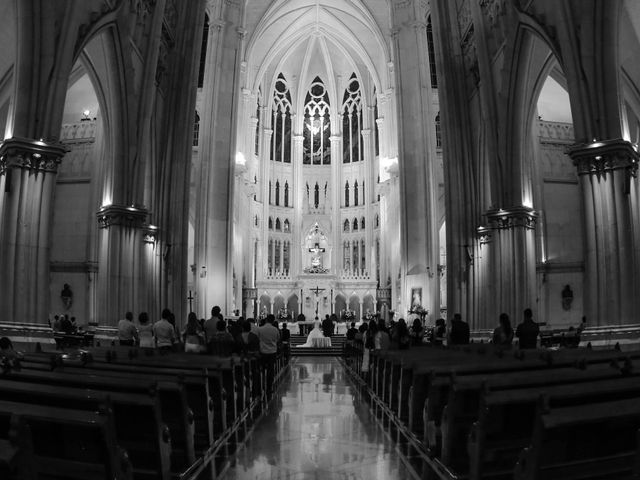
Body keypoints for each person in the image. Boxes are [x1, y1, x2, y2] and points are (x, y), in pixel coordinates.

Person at [258, 314, 280, 397]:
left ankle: (262, 386)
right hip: (272, 352)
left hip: (262, 352)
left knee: (262, 370)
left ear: (266, 320)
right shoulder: (275, 330)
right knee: (270, 371)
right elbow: (278, 339)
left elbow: (258, 339)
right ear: (273, 321)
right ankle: (269, 387)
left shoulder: (260, 329)